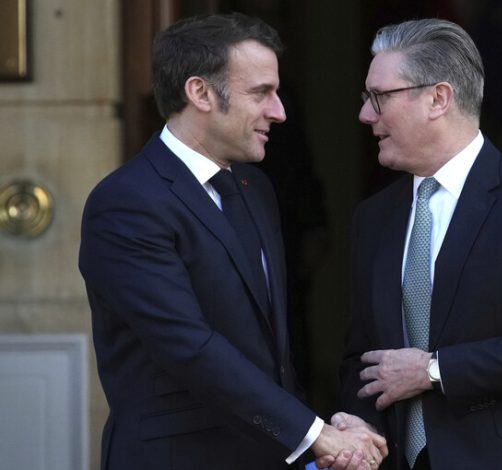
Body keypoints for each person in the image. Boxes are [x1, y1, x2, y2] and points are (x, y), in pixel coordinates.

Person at [79, 13, 386, 470]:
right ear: (200, 93)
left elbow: (272, 354)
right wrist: (315, 434)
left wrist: (309, 444)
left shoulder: (254, 189)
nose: (279, 111)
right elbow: (188, 346)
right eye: (261, 93)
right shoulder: (126, 203)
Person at [339, 18, 502, 469]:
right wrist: (360, 424)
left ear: (438, 99)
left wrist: (431, 370)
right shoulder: (374, 217)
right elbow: (364, 359)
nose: (366, 114)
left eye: (379, 96)